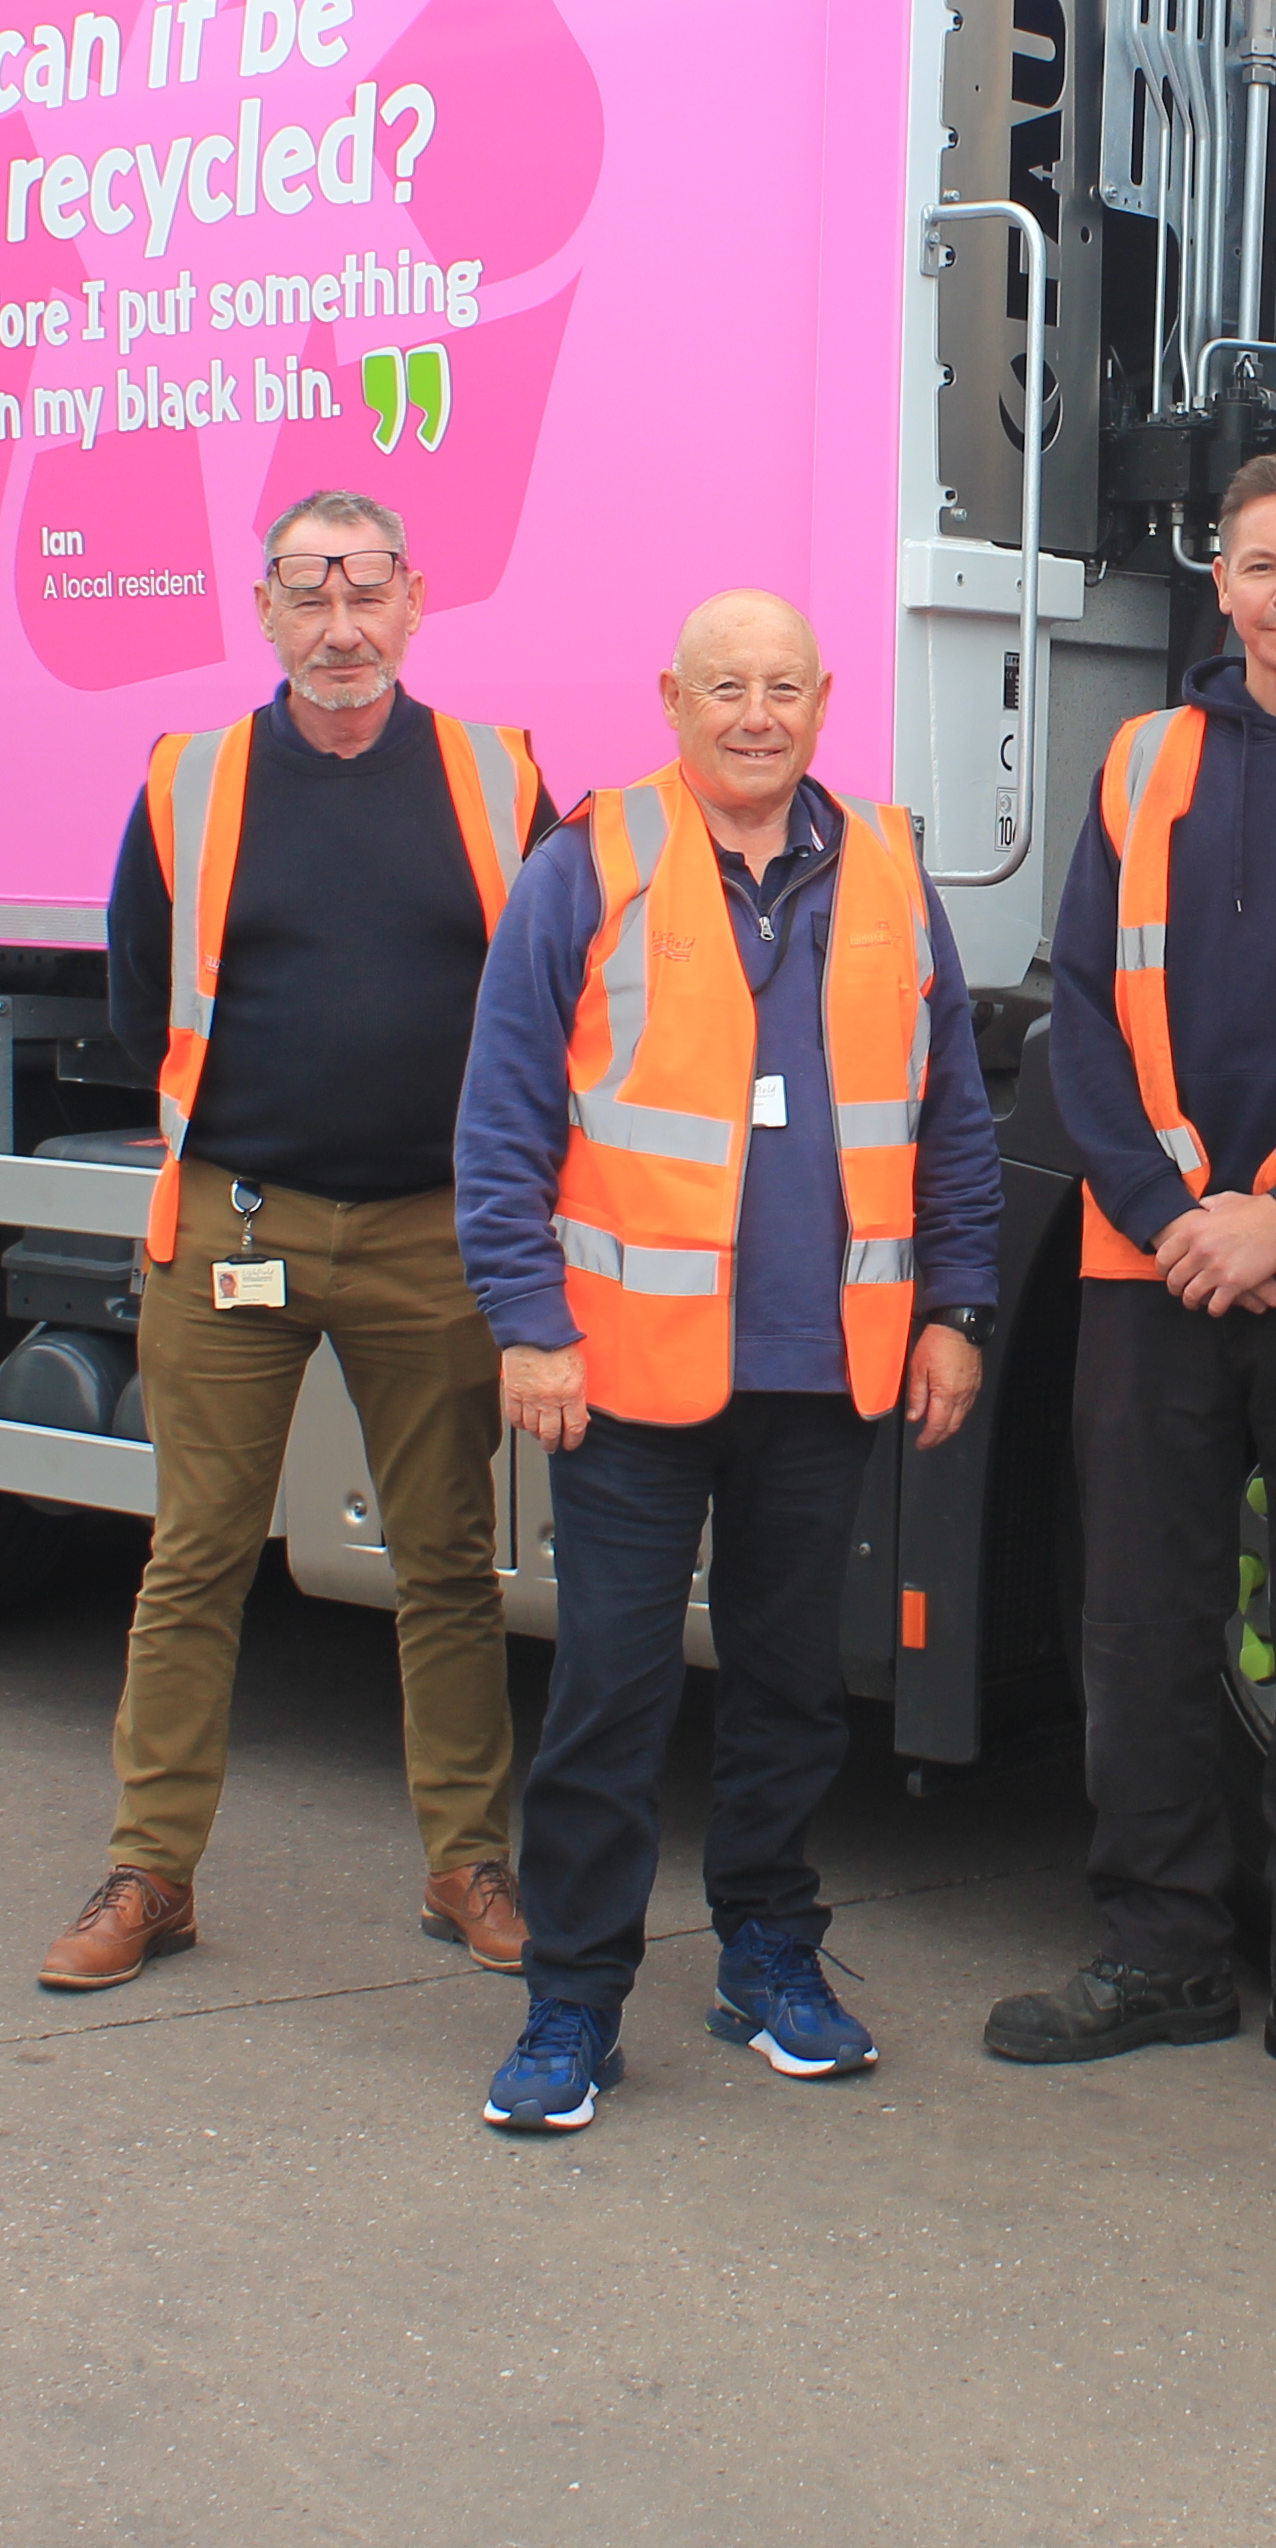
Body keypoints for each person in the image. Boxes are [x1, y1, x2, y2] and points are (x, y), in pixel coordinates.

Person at [452, 589, 1006, 2131]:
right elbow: (504, 1118)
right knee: (613, 1694)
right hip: (620, 1376)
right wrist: (528, 1324)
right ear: (670, 700)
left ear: (826, 702)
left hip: (826, 1367)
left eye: (781, 688)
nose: (754, 714)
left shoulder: (889, 866)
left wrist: (957, 1308)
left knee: (787, 1689)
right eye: (722, 688)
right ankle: (572, 2003)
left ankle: (769, 1952)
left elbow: (951, 1113)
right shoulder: (590, 864)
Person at [984, 453, 1276, 2112]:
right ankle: (1162, 1951)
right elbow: (1086, 1011)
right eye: (1260, 566)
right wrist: (1179, 1210)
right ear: (1221, 581)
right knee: (1146, 1626)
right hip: (1150, 1269)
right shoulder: (1144, 758)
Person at [43, 493, 550, 1996]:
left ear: (414, 602)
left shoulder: (495, 777)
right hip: (235, 1225)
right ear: (262, 612)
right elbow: (143, 999)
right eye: (309, 595)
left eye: (368, 591)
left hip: (432, 1235)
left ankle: (467, 1864)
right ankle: (151, 1878)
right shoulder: (190, 785)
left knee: (449, 1562)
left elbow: (545, 998)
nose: (341, 627)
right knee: (195, 1558)